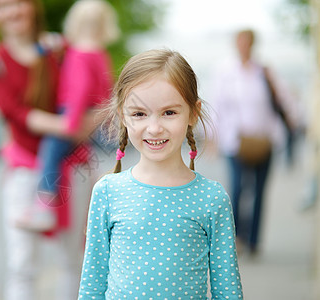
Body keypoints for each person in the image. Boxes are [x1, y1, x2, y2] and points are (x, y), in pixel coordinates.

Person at [78, 49, 243, 299]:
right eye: (139, 114)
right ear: (123, 115)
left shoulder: (211, 198)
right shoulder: (108, 191)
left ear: (193, 113)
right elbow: (92, 286)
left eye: (169, 112)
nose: (154, 128)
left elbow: (228, 291)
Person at [0, 0, 91, 299]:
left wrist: (85, 123)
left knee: (74, 261)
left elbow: (92, 92)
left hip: (72, 167)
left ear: (33, 7)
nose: (11, 11)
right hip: (25, 170)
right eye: (2, 6)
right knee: (22, 265)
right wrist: (65, 125)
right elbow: (14, 112)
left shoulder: (60, 48)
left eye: (18, 3)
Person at [17, 0, 120, 231]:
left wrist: (69, 123)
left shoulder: (79, 53)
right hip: (95, 116)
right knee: (91, 164)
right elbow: (107, 89)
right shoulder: (100, 54)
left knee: (50, 152)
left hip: (73, 113)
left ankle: (43, 207)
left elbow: (79, 89)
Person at [209, 29, 296, 255]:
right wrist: (213, 137)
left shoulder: (264, 72)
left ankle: (254, 240)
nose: (243, 46)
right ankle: (237, 236)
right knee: (237, 189)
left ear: (253, 45)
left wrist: (288, 125)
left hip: (263, 140)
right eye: (240, 42)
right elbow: (217, 105)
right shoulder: (225, 72)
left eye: (247, 43)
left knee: (259, 191)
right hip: (235, 141)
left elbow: (282, 101)